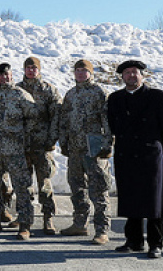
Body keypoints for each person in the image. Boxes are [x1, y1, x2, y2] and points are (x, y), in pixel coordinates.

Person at [107, 60, 163, 259]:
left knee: (154, 203)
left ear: (142, 75)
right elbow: (114, 125)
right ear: (122, 77)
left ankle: (155, 244)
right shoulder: (115, 99)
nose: (131, 76)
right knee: (131, 199)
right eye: (127, 73)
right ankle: (133, 241)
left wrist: (156, 148)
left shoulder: (157, 97)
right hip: (126, 155)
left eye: (135, 72)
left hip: (149, 157)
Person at [0, 63, 37, 240]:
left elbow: (33, 117)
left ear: (11, 75)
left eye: (6, 74)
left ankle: (25, 224)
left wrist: (24, 138)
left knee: (22, 187)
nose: (4, 78)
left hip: (14, 150)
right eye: (0, 75)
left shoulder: (20, 95)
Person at [58, 59, 113, 245]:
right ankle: (79, 224)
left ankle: (102, 230)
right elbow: (64, 119)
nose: (80, 73)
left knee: (98, 189)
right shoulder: (71, 94)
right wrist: (63, 141)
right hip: (74, 148)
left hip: (94, 149)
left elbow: (107, 120)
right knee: (77, 187)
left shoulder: (99, 93)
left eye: (84, 70)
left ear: (90, 73)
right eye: (78, 70)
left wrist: (108, 144)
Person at [16, 56, 63, 235]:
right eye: (28, 67)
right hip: (22, 145)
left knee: (44, 183)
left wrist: (51, 140)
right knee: (23, 184)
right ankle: (24, 220)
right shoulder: (17, 89)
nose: (31, 71)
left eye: (34, 68)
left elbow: (56, 116)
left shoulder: (49, 90)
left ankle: (48, 218)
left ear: (39, 69)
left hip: (42, 145)